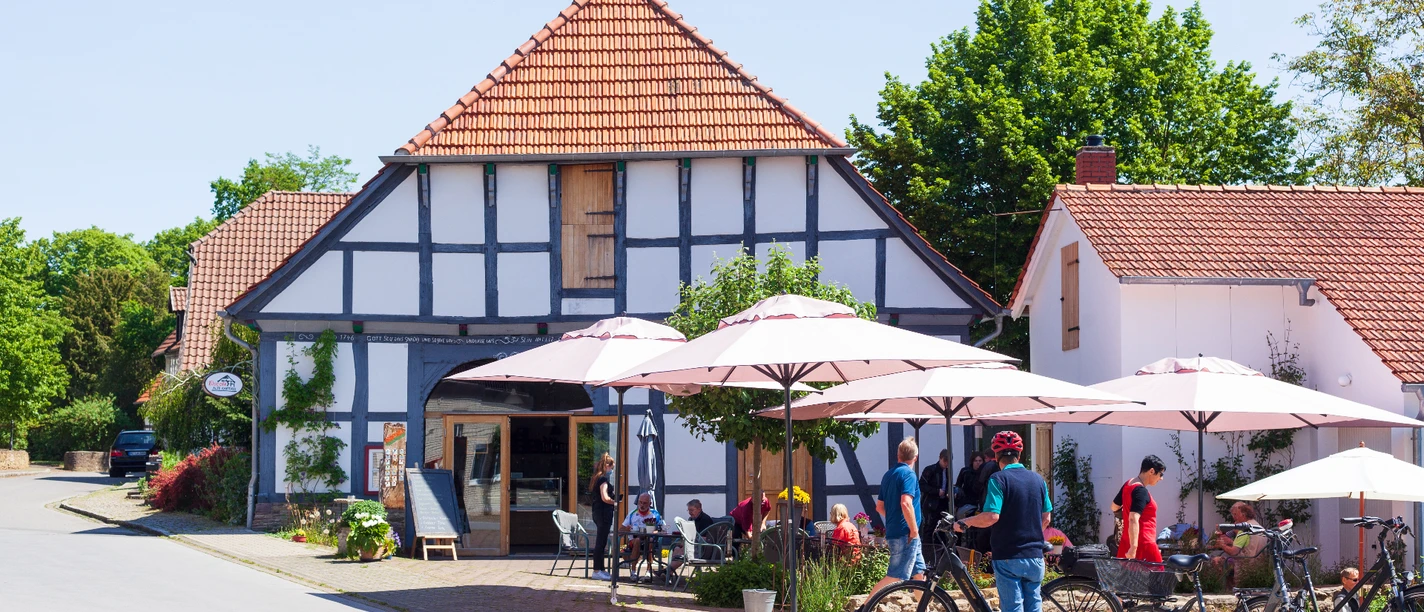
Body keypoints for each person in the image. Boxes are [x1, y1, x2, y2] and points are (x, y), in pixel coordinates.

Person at [954, 431, 1052, 612]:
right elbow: (1046, 518)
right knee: (1034, 606)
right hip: (1035, 556)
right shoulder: (1038, 480)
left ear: (996, 456)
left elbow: (991, 516)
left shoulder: (998, 479)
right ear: (1019, 455)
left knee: (1013, 608)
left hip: (1009, 556)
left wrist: (965, 522)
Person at [870, 437, 925, 598]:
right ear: (915, 457)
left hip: (898, 531)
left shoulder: (889, 475)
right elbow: (906, 503)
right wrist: (914, 530)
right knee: (895, 576)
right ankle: (864, 607)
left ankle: (924, 609)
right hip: (907, 534)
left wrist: (895, 518)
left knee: (919, 574)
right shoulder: (909, 475)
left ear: (898, 455)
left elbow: (879, 507)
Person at [1112, 455, 1166, 562]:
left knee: (1128, 578)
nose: (1161, 478)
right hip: (1143, 544)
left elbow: (1114, 506)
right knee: (1158, 577)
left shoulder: (1129, 484)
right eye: (1160, 474)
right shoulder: (1141, 491)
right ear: (1151, 471)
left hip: (1126, 542)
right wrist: (1133, 548)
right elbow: (1133, 518)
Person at [664, 499, 716, 575]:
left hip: (705, 549)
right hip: (695, 547)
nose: (689, 513)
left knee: (684, 551)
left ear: (699, 509)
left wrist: (690, 541)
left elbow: (706, 539)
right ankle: (669, 573)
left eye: (692, 510)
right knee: (677, 548)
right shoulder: (692, 519)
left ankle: (667, 571)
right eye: (688, 510)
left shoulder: (705, 519)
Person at [620, 493, 664, 579]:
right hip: (634, 541)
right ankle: (633, 572)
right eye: (640, 502)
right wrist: (627, 529)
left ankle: (648, 571)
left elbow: (662, 529)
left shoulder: (655, 514)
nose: (642, 505)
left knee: (650, 539)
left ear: (650, 504)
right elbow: (620, 531)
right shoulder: (632, 514)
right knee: (637, 540)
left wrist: (653, 532)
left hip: (649, 540)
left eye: (645, 503)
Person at [588, 452, 617, 581]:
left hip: (597, 512)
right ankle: (597, 570)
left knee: (602, 541)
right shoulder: (603, 480)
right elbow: (605, 497)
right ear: (607, 466)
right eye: (612, 468)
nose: (612, 471)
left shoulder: (596, 478)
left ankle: (601, 569)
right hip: (604, 513)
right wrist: (615, 502)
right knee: (601, 542)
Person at [972, 449, 1002, 553]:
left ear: (986, 457)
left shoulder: (987, 467)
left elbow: (978, 485)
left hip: (986, 503)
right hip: (1001, 508)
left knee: (984, 535)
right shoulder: (1002, 468)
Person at [920, 449, 953, 535]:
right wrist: (937, 491)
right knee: (929, 528)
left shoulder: (948, 471)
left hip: (943, 503)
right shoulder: (930, 470)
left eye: (948, 462)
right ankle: (928, 547)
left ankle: (940, 547)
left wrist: (948, 492)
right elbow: (922, 485)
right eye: (944, 461)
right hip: (931, 504)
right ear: (940, 458)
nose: (946, 464)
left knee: (942, 528)